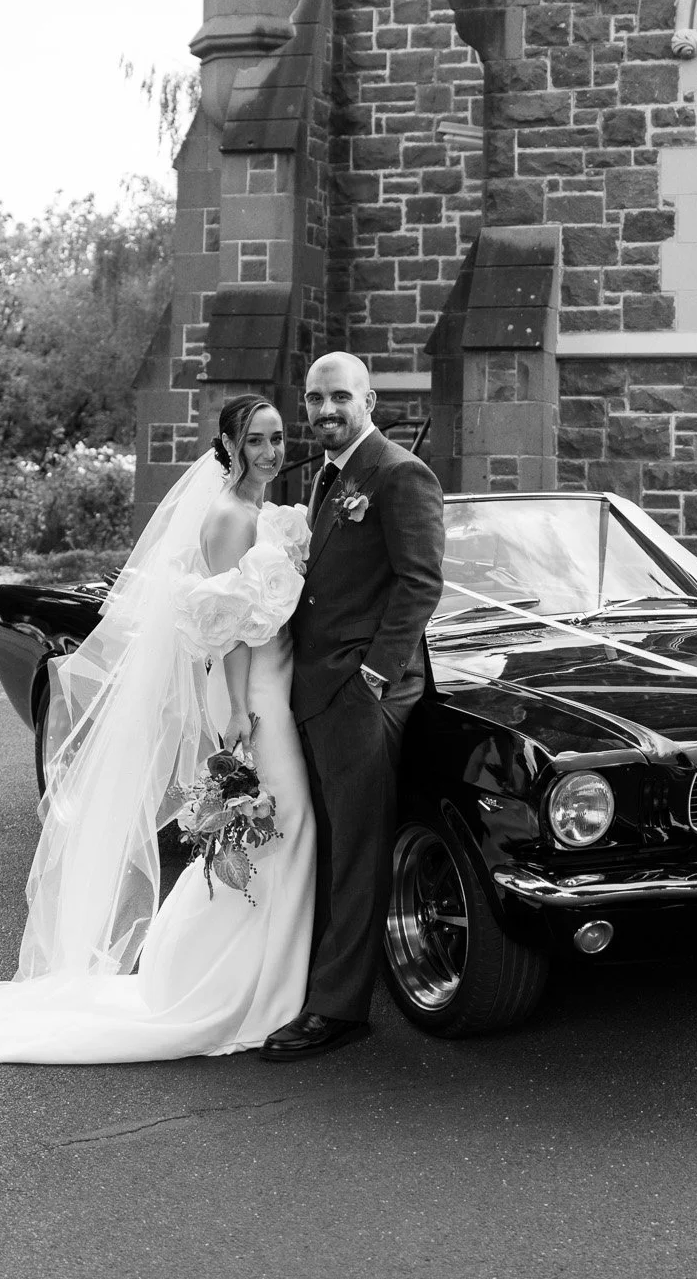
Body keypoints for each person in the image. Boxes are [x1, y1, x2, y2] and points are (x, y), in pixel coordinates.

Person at [0, 397, 316, 1062]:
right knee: (275, 827)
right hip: (251, 697)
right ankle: (220, 985)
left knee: (271, 833)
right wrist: (239, 715)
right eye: (256, 440)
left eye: (276, 439)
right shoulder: (227, 519)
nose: (270, 451)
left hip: (270, 686)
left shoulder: (260, 514)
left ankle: (259, 978)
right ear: (229, 445)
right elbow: (232, 628)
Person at [260, 351, 445, 1061]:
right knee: (327, 845)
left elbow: (419, 584)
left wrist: (373, 675)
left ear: (368, 398)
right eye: (313, 399)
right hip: (313, 689)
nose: (325, 410)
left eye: (339, 396)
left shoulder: (399, 474)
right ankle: (315, 982)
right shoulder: (327, 477)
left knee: (357, 854)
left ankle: (339, 1011)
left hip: (360, 695)